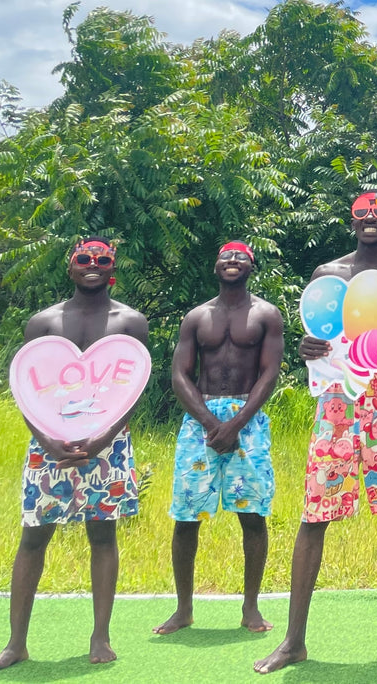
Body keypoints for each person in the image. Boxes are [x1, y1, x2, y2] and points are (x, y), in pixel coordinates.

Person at [255, 191, 377, 673]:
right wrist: (307, 346)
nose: (370, 220)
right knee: (314, 514)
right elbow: (315, 335)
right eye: (362, 213)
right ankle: (294, 641)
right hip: (336, 399)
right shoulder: (327, 274)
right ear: (351, 220)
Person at [0, 238, 149, 670]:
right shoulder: (43, 322)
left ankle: (100, 637)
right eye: (83, 259)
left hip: (108, 447)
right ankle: (16, 643)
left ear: (113, 265)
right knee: (33, 536)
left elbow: (132, 392)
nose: (93, 265)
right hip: (48, 448)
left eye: (103, 259)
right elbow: (25, 391)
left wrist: (103, 438)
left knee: (102, 536)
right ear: (70, 267)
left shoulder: (131, 322)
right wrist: (47, 440)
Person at [154, 241, 284, 636]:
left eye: (240, 257)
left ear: (252, 266)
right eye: (225, 256)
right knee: (186, 516)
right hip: (201, 420)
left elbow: (269, 373)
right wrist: (211, 423)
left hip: (249, 421)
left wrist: (236, 424)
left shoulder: (267, 314)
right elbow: (180, 375)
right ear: (215, 265)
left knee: (253, 514)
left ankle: (250, 608)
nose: (231, 261)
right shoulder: (196, 317)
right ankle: (183, 609)